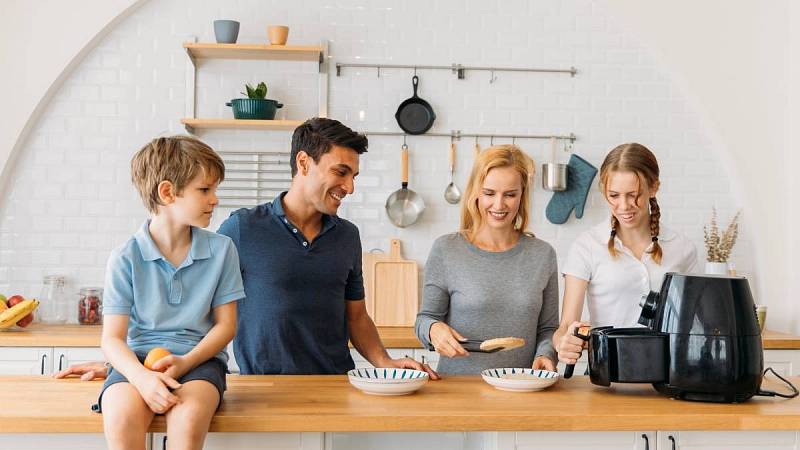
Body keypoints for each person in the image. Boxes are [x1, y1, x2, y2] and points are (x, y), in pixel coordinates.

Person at [55, 119, 436, 380]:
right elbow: (190, 312)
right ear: (304, 163)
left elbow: (356, 318)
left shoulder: (347, 236)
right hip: (260, 386)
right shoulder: (240, 229)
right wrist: (129, 367)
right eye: (341, 172)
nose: (349, 187)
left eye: (354, 176)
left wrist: (386, 362)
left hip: (333, 384)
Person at [97, 136, 244, 450]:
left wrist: (186, 362)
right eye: (205, 190)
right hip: (137, 363)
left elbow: (226, 326)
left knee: (188, 420)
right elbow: (111, 339)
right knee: (121, 419)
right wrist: (140, 377)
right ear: (167, 192)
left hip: (200, 361)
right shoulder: (125, 257)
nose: (215, 199)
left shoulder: (222, 250)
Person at [414, 145, 559, 375]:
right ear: (476, 193)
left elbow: (548, 328)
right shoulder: (446, 249)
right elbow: (425, 319)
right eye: (489, 193)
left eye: (510, 194)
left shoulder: (543, 255)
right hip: (459, 391)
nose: (499, 205)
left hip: (522, 388)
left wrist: (546, 354)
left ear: (522, 196)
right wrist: (433, 330)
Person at [553, 143, 698, 369]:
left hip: (668, 378)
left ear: (654, 188)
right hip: (607, 377)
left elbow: (689, 322)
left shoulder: (683, 249)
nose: (624, 206)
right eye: (614, 195)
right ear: (604, 192)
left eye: (634, 195)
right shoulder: (587, 246)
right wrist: (564, 341)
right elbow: (565, 327)